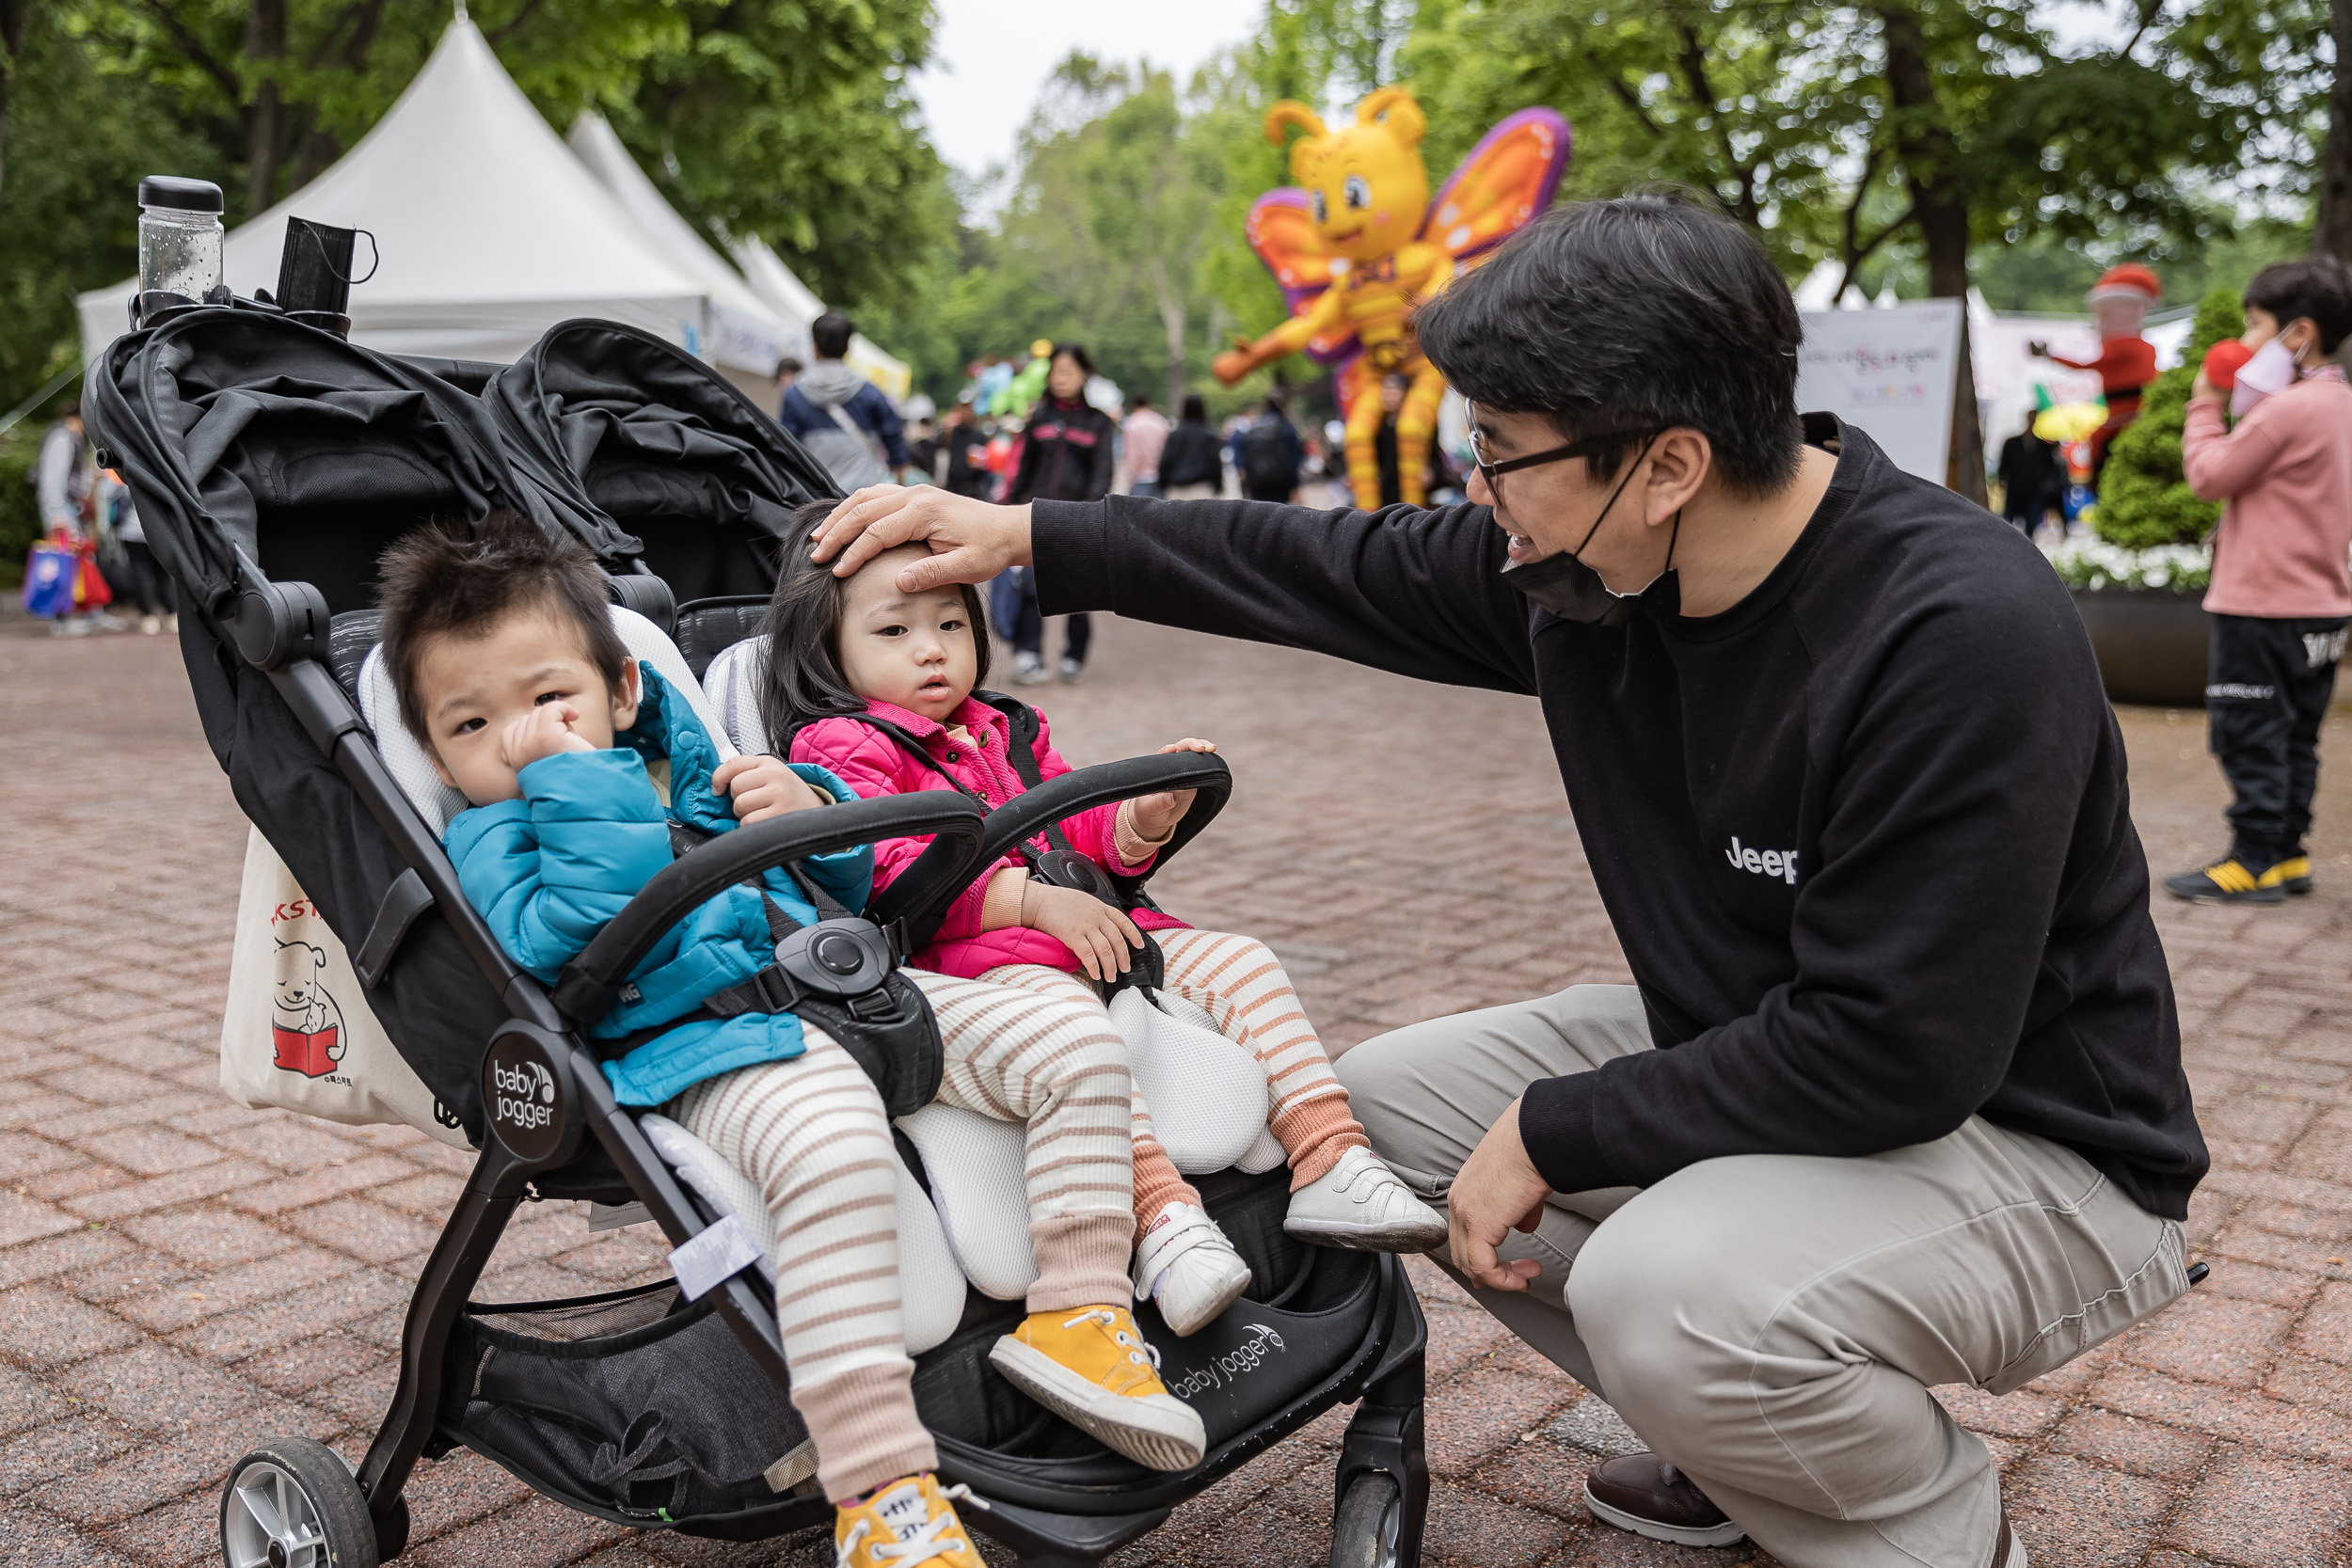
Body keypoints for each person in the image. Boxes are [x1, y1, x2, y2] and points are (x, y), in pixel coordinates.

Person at [806, 194, 2207, 1568]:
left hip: (2038, 1141)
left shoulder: (1956, 633)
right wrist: (1025, 537)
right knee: (1363, 1122)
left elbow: (1900, 1048)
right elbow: (1318, 560)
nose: (1475, 492)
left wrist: (1555, 1125)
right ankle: (1751, 1441)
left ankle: (1924, 1522)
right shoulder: (1593, 567)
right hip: (1781, 1051)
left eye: (1501, 452)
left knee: (1667, 1294)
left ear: (1666, 464)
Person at [378, 514, 1210, 1565]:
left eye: (549, 699)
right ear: (438, 751)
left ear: (623, 692)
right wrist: (571, 777)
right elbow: (570, 930)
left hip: (848, 987)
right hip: (707, 1050)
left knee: (1071, 1042)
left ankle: (1078, 1311)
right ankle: (879, 1487)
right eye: (469, 725)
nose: (515, 735)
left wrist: (806, 802)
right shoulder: (493, 834)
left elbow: (856, 882)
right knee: (837, 1152)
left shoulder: (692, 768)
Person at [756, 520, 1449, 1331]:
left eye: (950, 624)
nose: (932, 650)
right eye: (895, 631)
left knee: (1241, 959)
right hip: (981, 957)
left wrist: (1137, 821)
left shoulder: (1005, 726)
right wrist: (1032, 901)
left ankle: (1333, 1155)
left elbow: (1071, 832)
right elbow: (887, 865)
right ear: (827, 650)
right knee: (1073, 1032)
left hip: (1102, 925)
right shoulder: (840, 744)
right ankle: (1161, 1221)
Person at [2164, 256, 2352, 905]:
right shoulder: (2338, 402)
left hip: (2264, 604)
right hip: (2322, 604)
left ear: (2297, 335)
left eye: (2255, 325)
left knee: (2248, 729)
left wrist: (2206, 401)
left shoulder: (2290, 411)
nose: (2244, 340)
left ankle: (2254, 856)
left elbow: (2208, 475)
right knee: (2297, 735)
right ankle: (2287, 853)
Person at [1002, 343, 1115, 686]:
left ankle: (1073, 657)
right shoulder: (1040, 418)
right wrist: (1009, 503)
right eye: (1056, 371)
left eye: (1069, 371)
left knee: (1077, 590)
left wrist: (1090, 514)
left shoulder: (1098, 422)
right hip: (1035, 516)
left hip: (1078, 518)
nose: (1061, 378)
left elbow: (1102, 472)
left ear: (1085, 374)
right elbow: (1025, 467)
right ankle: (1029, 655)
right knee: (1030, 588)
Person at [2029, 264, 2161, 483]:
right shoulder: (2140, 347)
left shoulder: (2124, 346)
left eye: (2105, 315)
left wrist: (2049, 355)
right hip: (2125, 414)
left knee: (2099, 444)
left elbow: (2083, 366)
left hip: (2128, 416)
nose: (2100, 323)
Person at [781, 314, 909, 492]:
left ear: (815, 347)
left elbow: (787, 448)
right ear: (848, 347)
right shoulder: (869, 393)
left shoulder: (795, 395)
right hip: (865, 497)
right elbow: (895, 443)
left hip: (816, 497)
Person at [1232, 393, 1303, 502]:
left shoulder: (1254, 425)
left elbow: (1240, 445)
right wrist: (1295, 485)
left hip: (1258, 483)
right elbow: (1294, 458)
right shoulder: (1285, 427)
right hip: (1282, 482)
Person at [1994, 427, 2062, 538]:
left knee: (2030, 525)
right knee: (2007, 523)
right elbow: (2004, 466)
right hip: (2015, 489)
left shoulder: (2042, 446)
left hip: (2034, 490)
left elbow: (2050, 467)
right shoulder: (2012, 443)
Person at [1157, 394, 1222, 501]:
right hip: (1203, 488)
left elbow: (1165, 461)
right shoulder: (1208, 435)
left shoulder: (1175, 435)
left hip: (1177, 489)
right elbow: (1215, 463)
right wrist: (1217, 486)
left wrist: (1163, 485)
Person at [1121, 393, 1171, 499]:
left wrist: (1130, 478)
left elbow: (1132, 454)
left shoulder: (1131, 423)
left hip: (1140, 476)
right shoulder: (1160, 422)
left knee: (1138, 513)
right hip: (1160, 476)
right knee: (1161, 512)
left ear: (1134, 405)